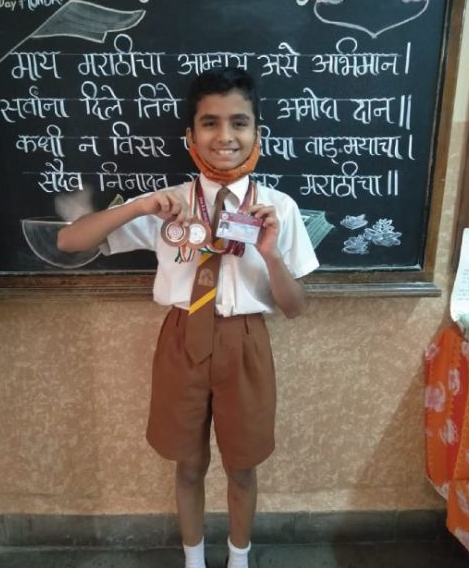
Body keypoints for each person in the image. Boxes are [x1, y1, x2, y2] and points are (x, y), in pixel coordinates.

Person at [58, 67, 319, 568]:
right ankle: (194, 560)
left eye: (239, 123)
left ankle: (239, 559)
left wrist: (270, 253)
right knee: (189, 462)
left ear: (257, 133)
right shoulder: (168, 205)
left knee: (242, 466)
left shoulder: (277, 208)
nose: (225, 137)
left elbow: (295, 307)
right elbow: (70, 241)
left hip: (245, 342)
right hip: (180, 340)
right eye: (210, 123)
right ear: (190, 135)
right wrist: (138, 209)